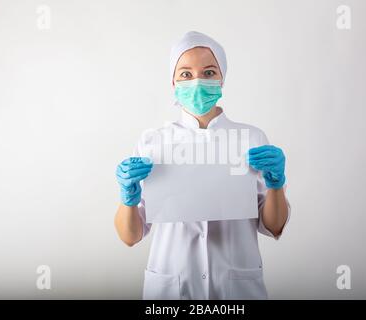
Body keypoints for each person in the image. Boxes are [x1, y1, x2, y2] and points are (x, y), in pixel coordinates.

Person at [115, 31, 290, 300]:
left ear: (222, 80)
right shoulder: (154, 143)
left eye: (208, 72)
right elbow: (130, 237)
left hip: (237, 291)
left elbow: (274, 226)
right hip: (171, 288)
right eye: (186, 74)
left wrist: (276, 186)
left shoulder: (250, 139)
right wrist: (128, 198)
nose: (197, 82)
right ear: (173, 81)